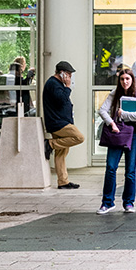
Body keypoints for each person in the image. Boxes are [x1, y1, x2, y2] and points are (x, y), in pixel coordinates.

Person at [96, 64, 136, 214]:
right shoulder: (115, 93)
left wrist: (122, 114)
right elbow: (102, 110)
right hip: (117, 133)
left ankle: (129, 203)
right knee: (111, 168)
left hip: (134, 135)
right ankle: (107, 202)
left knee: (130, 171)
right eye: (122, 79)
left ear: (132, 79)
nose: (125, 82)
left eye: (127, 78)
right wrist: (112, 123)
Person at [41, 60, 85, 189]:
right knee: (79, 137)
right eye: (69, 74)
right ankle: (49, 144)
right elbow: (61, 100)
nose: (70, 77)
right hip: (58, 122)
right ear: (62, 73)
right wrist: (67, 87)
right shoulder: (54, 84)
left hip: (61, 120)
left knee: (61, 154)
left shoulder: (56, 83)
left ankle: (63, 182)